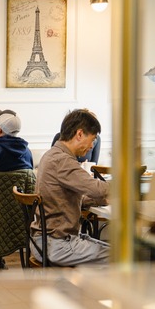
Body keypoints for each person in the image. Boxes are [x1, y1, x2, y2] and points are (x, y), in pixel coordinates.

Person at [34, 109, 109, 266]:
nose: (91, 146)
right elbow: (98, 188)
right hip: (57, 245)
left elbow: (68, 198)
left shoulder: (51, 155)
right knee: (122, 256)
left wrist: (99, 200)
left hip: (45, 242)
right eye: (93, 140)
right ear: (80, 134)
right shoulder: (62, 161)